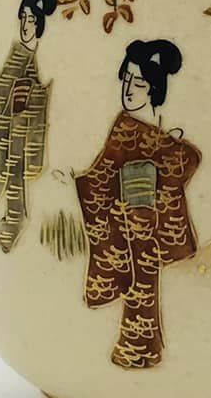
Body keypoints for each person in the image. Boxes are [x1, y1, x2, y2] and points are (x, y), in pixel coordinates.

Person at [75, 39, 201, 369]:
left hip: (147, 228)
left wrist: (169, 154)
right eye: (127, 80)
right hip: (126, 226)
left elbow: (186, 160)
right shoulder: (124, 127)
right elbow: (101, 175)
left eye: (140, 83)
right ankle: (139, 347)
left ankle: (141, 348)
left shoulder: (156, 135)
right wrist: (80, 181)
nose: (130, 90)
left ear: (155, 89)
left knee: (143, 289)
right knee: (139, 290)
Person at [0, 0, 56, 252]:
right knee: (13, 179)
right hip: (11, 137)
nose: (26, 25)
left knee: (19, 181)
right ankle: (12, 220)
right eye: (23, 18)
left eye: (32, 19)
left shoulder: (40, 57)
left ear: (40, 24)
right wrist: (14, 105)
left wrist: (33, 98)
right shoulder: (16, 56)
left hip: (24, 137)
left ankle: (15, 221)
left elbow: (40, 93)